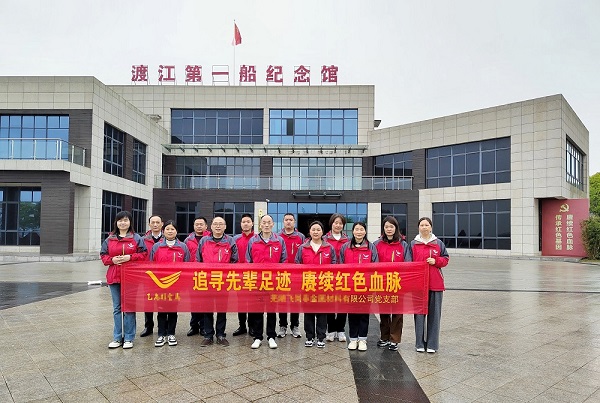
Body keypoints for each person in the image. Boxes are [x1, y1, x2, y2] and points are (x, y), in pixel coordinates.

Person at [100, 211, 147, 349]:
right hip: (114, 276)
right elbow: (103, 255)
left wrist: (130, 257)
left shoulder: (136, 238)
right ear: (116, 222)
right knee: (117, 308)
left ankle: (128, 338)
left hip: (131, 278)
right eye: (120, 220)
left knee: (129, 307)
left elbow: (143, 254)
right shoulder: (110, 239)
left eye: (125, 220)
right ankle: (117, 337)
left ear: (130, 222)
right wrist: (112, 260)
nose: (123, 223)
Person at [246, 214, 287, 349]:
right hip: (257, 281)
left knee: (271, 310)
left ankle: (271, 336)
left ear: (273, 224)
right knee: (257, 310)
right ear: (260, 224)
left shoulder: (279, 240)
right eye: (264, 222)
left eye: (269, 222)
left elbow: (284, 260)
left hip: (273, 281)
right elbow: (248, 260)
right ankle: (258, 337)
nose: (267, 225)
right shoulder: (253, 241)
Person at [196, 216, 238, 347]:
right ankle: (208, 335)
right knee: (207, 309)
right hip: (207, 281)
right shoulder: (204, 241)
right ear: (211, 226)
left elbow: (234, 260)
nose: (218, 226)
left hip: (223, 281)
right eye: (215, 224)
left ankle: (220, 335)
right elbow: (198, 260)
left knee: (222, 309)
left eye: (221, 224)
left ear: (225, 227)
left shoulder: (230, 241)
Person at [149, 220, 190, 347]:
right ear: (163, 231)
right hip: (160, 284)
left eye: (172, 229)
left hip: (176, 284)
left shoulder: (183, 247)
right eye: (167, 229)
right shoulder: (157, 247)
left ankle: (171, 333)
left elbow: (187, 265)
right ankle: (161, 334)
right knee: (161, 309)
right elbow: (151, 264)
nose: (170, 231)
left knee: (173, 309)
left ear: (176, 231)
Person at [411, 217, 449, 354]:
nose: (424, 227)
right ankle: (419, 343)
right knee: (419, 314)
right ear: (418, 227)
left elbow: (446, 258)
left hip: (435, 284)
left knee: (434, 314)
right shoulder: (413, 244)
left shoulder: (438, 243)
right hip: (418, 285)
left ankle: (432, 344)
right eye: (422, 225)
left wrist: (436, 261)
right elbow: (408, 262)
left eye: (427, 225)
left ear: (431, 227)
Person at [295, 221, 336, 348]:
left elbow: (334, 266)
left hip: (324, 285)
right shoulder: (303, 248)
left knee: (322, 312)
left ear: (322, 232)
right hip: (308, 284)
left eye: (318, 229)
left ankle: (321, 337)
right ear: (309, 231)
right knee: (308, 312)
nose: (316, 232)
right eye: (313, 229)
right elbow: (297, 265)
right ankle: (309, 336)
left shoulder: (329, 247)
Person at [373, 216, 412, 351]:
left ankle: (394, 339)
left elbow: (407, 264)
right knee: (383, 311)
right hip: (382, 283)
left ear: (396, 228)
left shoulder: (403, 245)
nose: (389, 229)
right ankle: (384, 337)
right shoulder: (377, 244)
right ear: (383, 229)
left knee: (397, 312)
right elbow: (374, 263)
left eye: (391, 227)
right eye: (386, 227)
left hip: (397, 283)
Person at [339, 221, 378, 351]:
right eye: (357, 229)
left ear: (365, 231)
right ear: (353, 231)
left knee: (364, 314)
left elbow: (376, 266)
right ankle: (353, 339)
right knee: (352, 313)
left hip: (365, 287)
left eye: (361, 229)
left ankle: (362, 339)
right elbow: (341, 266)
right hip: (350, 286)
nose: (359, 232)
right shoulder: (345, 247)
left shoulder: (371, 247)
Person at [278, 213, 305, 338]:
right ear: (283, 222)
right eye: (286, 220)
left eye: (291, 220)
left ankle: (295, 326)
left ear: (294, 222)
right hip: (282, 274)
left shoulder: (300, 237)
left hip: (296, 274)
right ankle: (282, 326)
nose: (288, 222)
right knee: (282, 300)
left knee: (295, 300)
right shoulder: (278, 237)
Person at [323, 213, 349, 343]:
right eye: (335, 222)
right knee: (329, 303)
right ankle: (331, 329)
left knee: (343, 303)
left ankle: (341, 329)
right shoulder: (324, 239)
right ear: (331, 224)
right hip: (328, 276)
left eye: (340, 223)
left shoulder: (348, 240)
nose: (338, 225)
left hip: (344, 276)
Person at [184, 216, 211, 337]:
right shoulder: (188, 240)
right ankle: (194, 326)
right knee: (194, 301)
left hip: (206, 275)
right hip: (192, 274)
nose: (199, 226)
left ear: (206, 226)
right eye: (196, 224)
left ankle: (204, 327)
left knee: (205, 302)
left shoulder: (209, 239)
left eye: (201, 224)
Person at [140, 214, 164, 338]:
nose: (155, 225)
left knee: (162, 301)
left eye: (157, 222)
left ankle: (162, 327)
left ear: (162, 224)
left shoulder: (167, 238)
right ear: (149, 224)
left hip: (162, 276)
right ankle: (148, 326)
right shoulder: (142, 240)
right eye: (153, 222)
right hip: (148, 276)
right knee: (147, 302)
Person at [232, 213, 254, 336]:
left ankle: (252, 326)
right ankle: (242, 326)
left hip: (252, 275)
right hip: (239, 275)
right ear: (240, 224)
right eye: (243, 222)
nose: (246, 224)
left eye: (248, 222)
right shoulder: (235, 239)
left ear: (252, 224)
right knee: (240, 302)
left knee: (251, 302)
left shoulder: (256, 238)